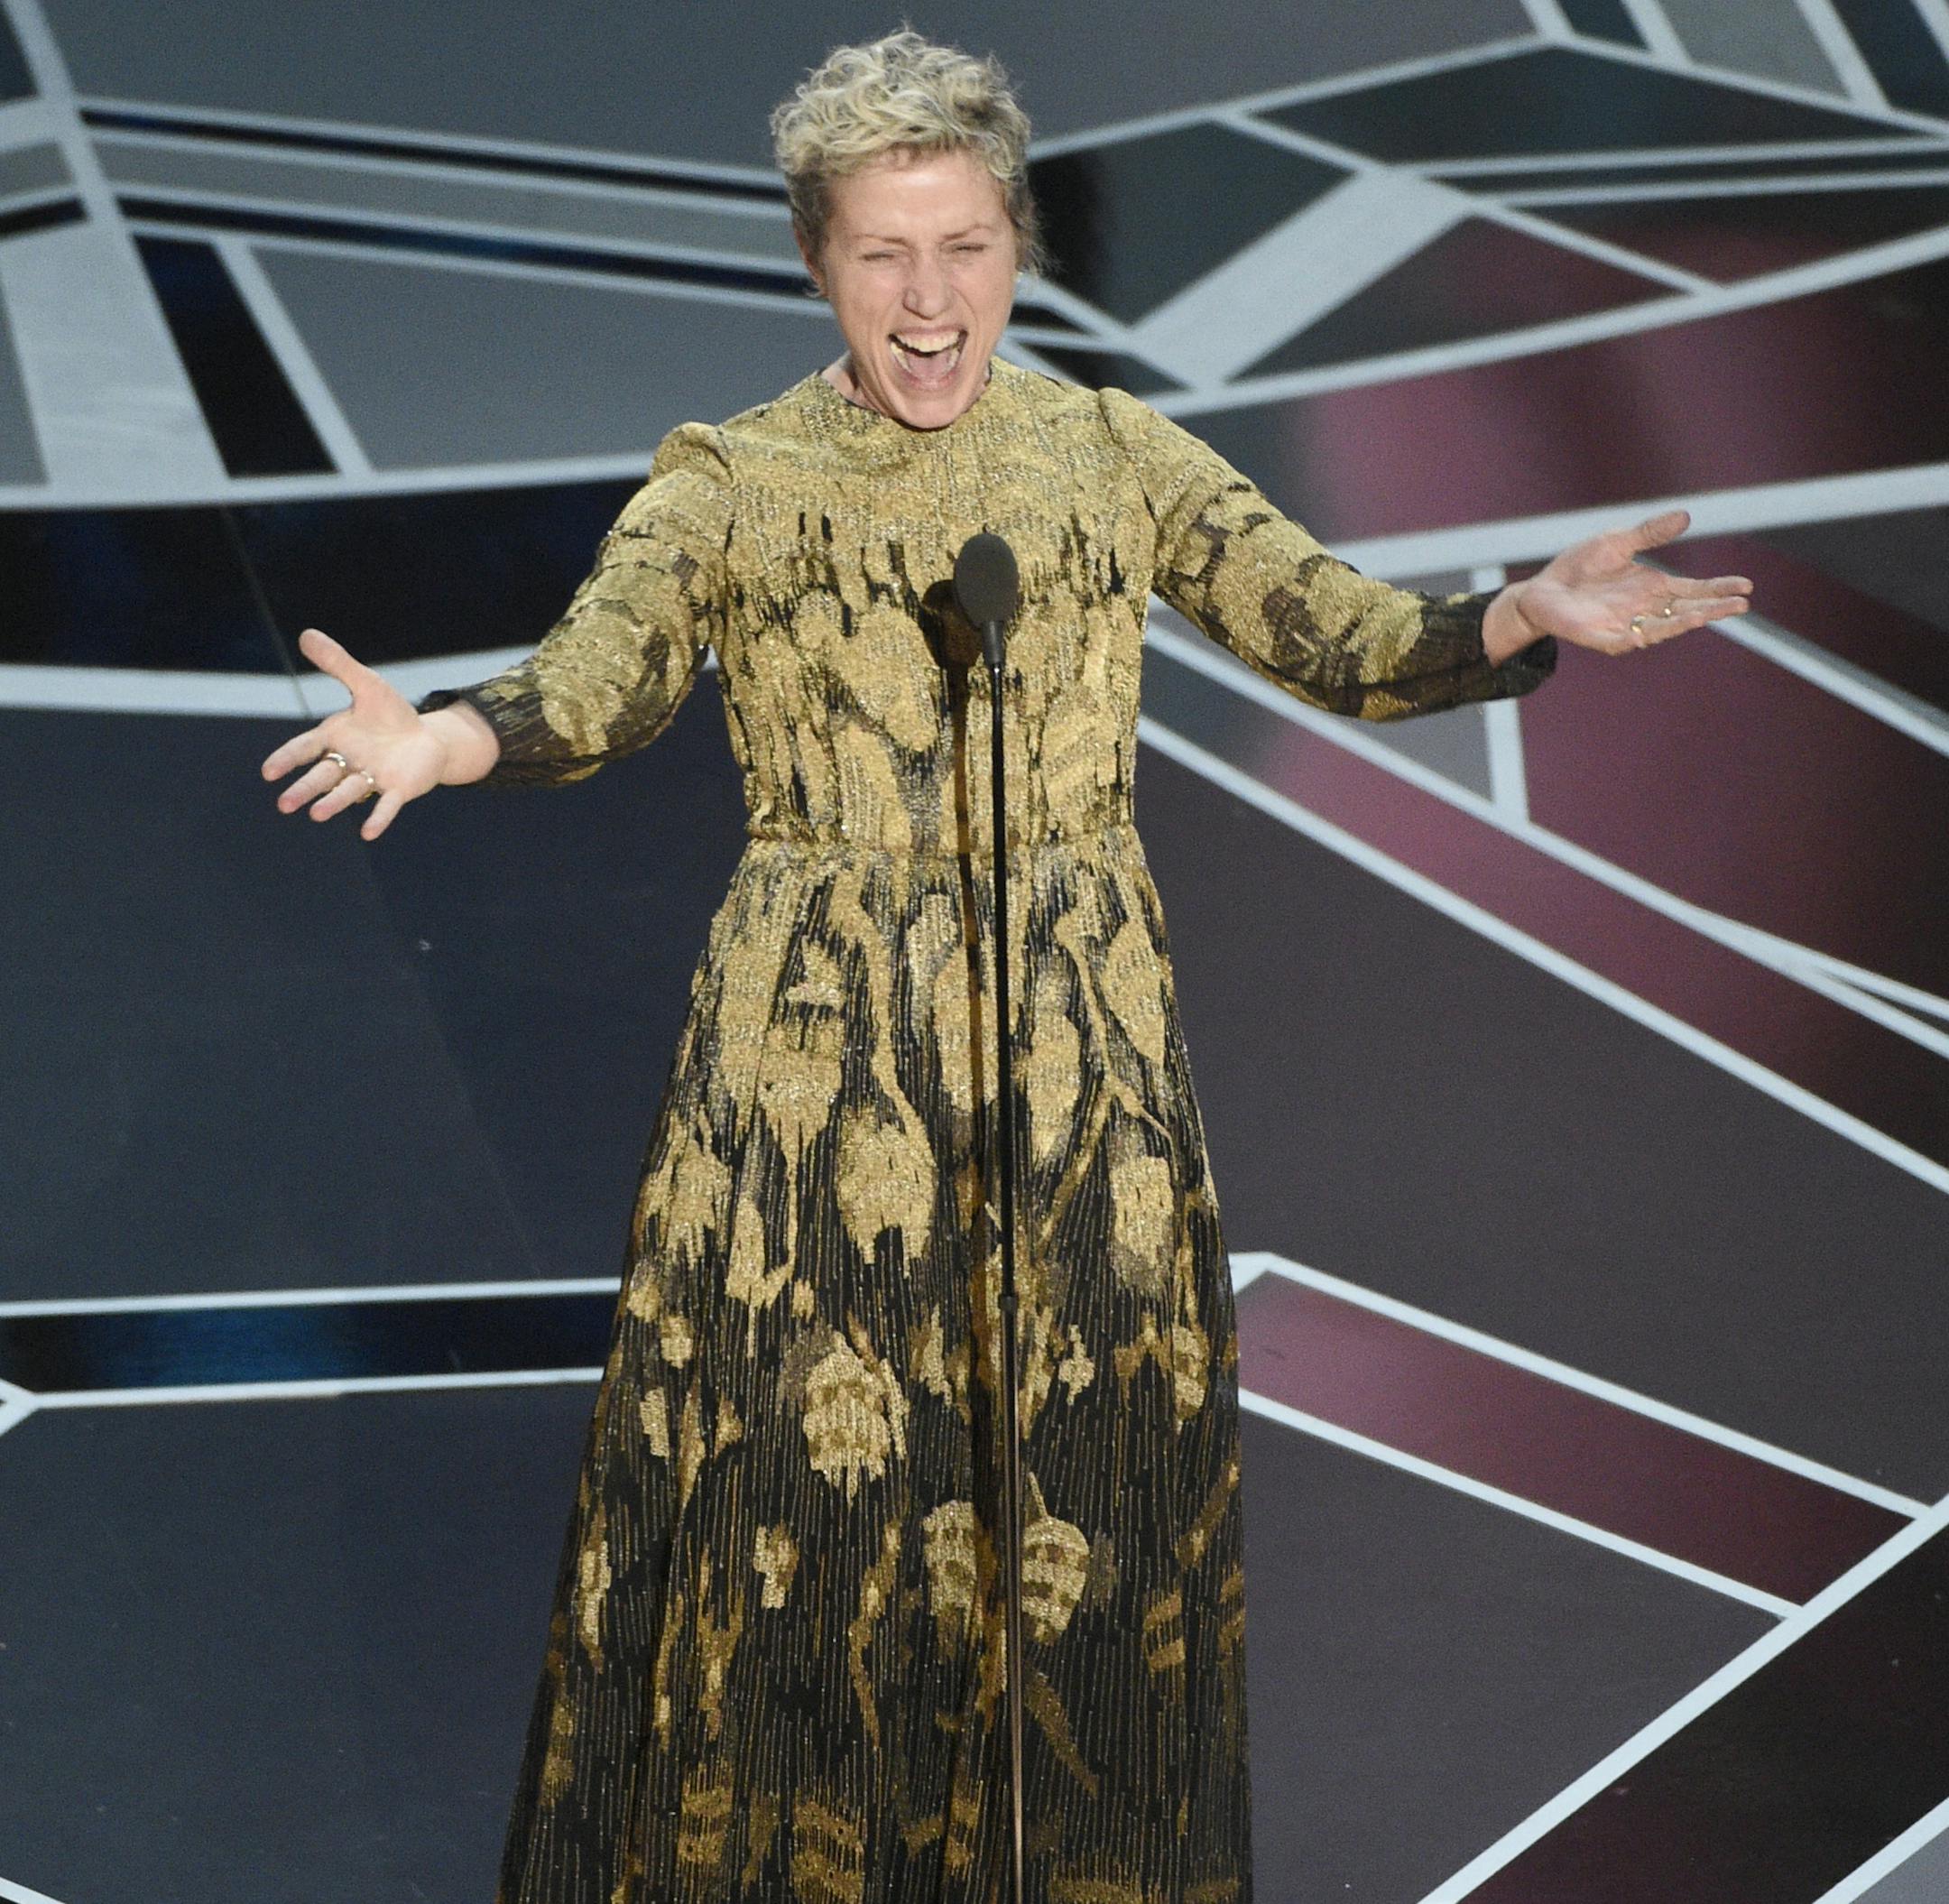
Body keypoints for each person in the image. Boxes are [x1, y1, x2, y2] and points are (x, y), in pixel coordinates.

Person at [261, 31, 1752, 1904]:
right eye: (886, 253)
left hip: (1079, 1057)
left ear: (1017, 249)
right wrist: (446, 740)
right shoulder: (730, 479)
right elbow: (598, 675)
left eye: (964, 246)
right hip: (813, 1072)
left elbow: (1342, 631)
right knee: (800, 1517)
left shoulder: (1111, 455)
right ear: (819, 260)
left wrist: (1517, 614)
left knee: (1087, 1506)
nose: (931, 297)